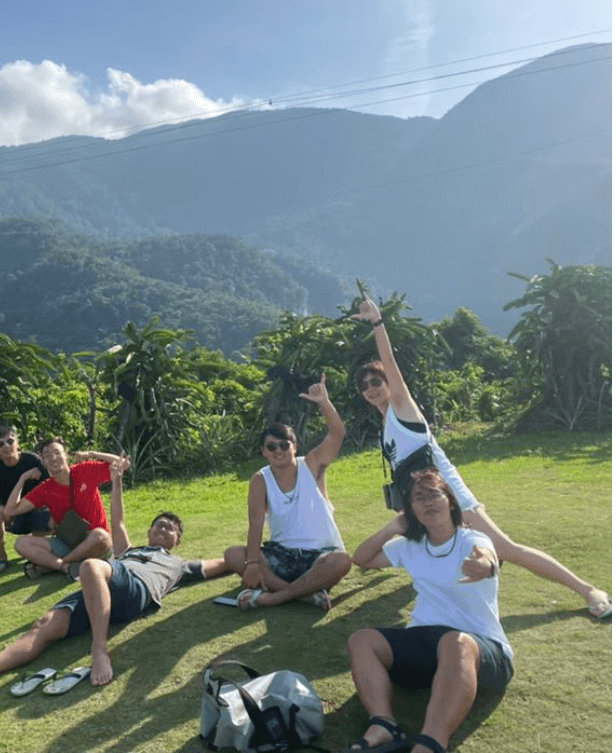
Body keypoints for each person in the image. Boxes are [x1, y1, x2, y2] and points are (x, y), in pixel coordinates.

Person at [352, 295, 611, 620]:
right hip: (423, 497)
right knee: (429, 547)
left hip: (449, 495)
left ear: (389, 384)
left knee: (507, 549)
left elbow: (388, 359)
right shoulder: (386, 425)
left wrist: (378, 322)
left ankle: (589, 590)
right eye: (364, 385)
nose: (371, 387)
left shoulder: (403, 409)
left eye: (376, 381)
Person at [0, 456, 230, 688]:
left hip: (135, 591)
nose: (165, 529)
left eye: (171, 529)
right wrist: (116, 483)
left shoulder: (178, 564)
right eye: (160, 525)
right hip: (102, 587)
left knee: (91, 566)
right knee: (45, 624)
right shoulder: (128, 550)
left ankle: (99, 650)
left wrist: (247, 560)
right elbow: (118, 520)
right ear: (150, 531)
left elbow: (221, 563)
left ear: (178, 540)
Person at [346, 468, 513, 753]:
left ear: (450, 500)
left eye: (434, 494)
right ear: (410, 509)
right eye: (418, 498)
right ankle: (384, 725)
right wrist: (391, 528)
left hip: (479, 649)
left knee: (454, 641)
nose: (428, 502)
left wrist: (484, 566)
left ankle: (431, 743)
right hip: (426, 643)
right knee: (361, 640)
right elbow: (362, 559)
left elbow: (488, 556)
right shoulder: (409, 545)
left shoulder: (470, 539)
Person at [223, 374, 352, 611]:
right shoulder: (260, 479)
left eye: (284, 445)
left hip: (320, 555)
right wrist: (252, 563)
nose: (278, 451)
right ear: (263, 451)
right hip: (280, 556)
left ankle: (273, 596)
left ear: (295, 447)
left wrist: (324, 402)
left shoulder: (311, 464)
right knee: (233, 554)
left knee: (341, 561)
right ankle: (304, 594)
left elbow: (337, 434)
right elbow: (255, 524)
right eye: (271, 447)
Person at [4, 437, 118, 579]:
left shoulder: (85, 470)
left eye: (57, 453)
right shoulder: (45, 489)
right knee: (22, 543)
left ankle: (54, 565)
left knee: (101, 535)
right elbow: (10, 511)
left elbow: (121, 464)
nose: (53, 458)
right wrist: (22, 479)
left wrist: (91, 453)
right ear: (44, 462)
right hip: (67, 543)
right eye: (47, 455)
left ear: (66, 455)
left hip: (95, 543)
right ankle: (66, 567)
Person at [0, 426, 49, 574]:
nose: (6, 446)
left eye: (10, 441)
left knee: (41, 519)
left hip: (37, 511)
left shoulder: (32, 460)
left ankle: (36, 552)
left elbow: (51, 489)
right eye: (1, 444)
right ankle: (2, 557)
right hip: (11, 515)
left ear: (17, 443)